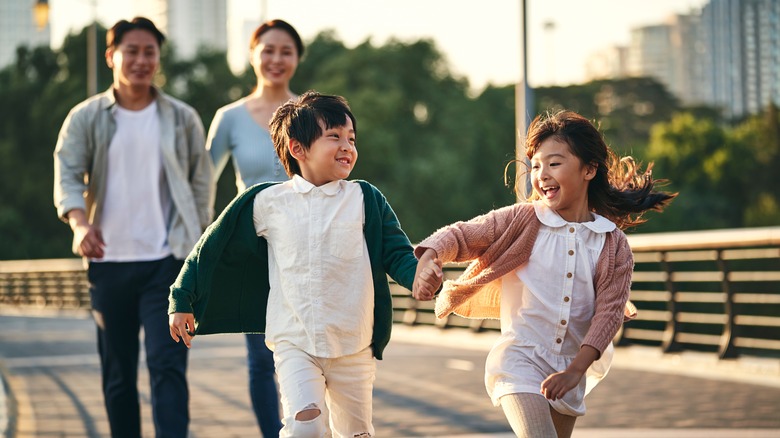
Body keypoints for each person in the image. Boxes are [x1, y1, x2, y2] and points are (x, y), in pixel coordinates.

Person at [168, 91, 441, 437]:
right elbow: (209, 248)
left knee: (357, 433)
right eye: (334, 137)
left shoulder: (365, 199)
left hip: (353, 343)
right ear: (298, 149)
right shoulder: (267, 201)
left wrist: (419, 276)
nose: (347, 147)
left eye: (351, 139)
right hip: (294, 341)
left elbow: (396, 253)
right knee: (304, 426)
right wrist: (182, 298)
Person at [412, 110, 676, 438]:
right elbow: (464, 234)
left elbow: (608, 314)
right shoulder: (523, 220)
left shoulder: (612, 243)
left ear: (589, 170)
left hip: (572, 364)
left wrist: (575, 371)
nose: (542, 175)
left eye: (554, 163)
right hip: (520, 357)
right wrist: (431, 256)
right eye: (536, 165)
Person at [53, 17, 213, 438]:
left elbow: (201, 186)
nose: (142, 60)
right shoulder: (86, 117)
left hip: (169, 264)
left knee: (167, 367)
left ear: (158, 58)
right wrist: (79, 223)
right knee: (119, 374)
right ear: (112, 56)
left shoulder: (182, 118)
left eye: (150, 52)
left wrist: (198, 254)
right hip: (109, 264)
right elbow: (67, 173)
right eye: (132, 51)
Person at [206, 19, 304, 436]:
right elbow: (200, 182)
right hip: (253, 251)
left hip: (308, 246)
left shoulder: (311, 112)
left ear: (297, 58)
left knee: (310, 352)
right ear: (252, 55)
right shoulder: (228, 118)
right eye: (268, 50)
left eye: (286, 51)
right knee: (261, 358)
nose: (276, 59)